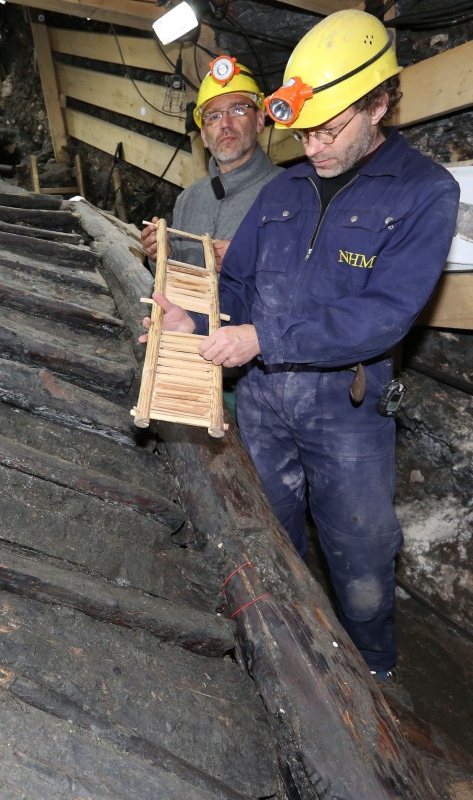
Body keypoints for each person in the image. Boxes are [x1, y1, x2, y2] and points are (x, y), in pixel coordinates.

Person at [143, 10, 460, 692]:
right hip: (263, 403)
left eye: (328, 129)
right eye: (303, 132)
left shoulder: (424, 191)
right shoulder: (284, 189)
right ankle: (289, 663)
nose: (312, 146)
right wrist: (193, 323)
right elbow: (238, 287)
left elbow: (384, 316)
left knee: (360, 551)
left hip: (345, 408)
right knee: (270, 536)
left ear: (378, 104)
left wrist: (262, 338)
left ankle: (374, 673)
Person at [140, 57, 280, 271]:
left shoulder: (292, 191)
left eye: (238, 110)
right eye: (213, 117)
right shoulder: (188, 200)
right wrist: (164, 255)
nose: (225, 124)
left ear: (260, 120)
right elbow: (177, 278)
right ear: (204, 136)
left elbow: (315, 272)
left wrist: (251, 259)